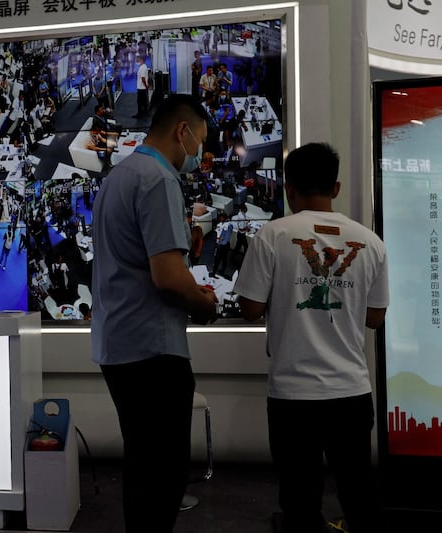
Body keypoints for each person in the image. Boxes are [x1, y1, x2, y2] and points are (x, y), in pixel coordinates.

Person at [234, 142, 389, 533]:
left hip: (292, 395)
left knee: (300, 502)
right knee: (359, 495)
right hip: (351, 391)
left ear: (288, 189)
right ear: (335, 189)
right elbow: (375, 318)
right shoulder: (370, 242)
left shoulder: (272, 235)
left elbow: (250, 309)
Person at [91, 93, 218, 533]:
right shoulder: (159, 178)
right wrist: (205, 303)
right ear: (182, 132)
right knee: (162, 477)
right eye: (199, 141)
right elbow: (167, 277)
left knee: (142, 469)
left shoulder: (118, 176)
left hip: (117, 343)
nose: (199, 153)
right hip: (153, 350)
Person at [211, 211, 233, 278]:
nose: (220, 219)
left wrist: (220, 243)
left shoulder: (229, 225)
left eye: (221, 218)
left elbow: (226, 238)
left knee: (220, 259)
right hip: (219, 243)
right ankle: (217, 271)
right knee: (221, 258)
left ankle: (215, 272)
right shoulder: (220, 224)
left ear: (224, 218)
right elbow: (217, 232)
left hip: (223, 245)